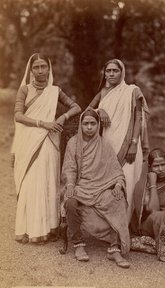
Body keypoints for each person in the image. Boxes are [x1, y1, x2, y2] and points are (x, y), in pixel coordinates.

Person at [12, 53, 81, 244]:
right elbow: (18, 116)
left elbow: (76, 107)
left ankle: (47, 229)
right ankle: (29, 229)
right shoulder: (25, 90)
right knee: (31, 183)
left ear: (49, 68)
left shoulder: (55, 91)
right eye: (36, 67)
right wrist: (44, 123)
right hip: (30, 140)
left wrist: (62, 118)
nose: (40, 71)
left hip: (49, 142)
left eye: (44, 66)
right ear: (31, 70)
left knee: (47, 182)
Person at [61, 108, 130, 268]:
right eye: (86, 123)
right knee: (70, 202)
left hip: (101, 187)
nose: (89, 127)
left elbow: (116, 170)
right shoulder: (73, 143)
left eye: (93, 123)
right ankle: (78, 245)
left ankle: (114, 249)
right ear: (81, 125)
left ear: (98, 124)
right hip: (80, 186)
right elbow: (69, 168)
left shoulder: (104, 144)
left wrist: (118, 185)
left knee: (118, 199)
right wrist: (70, 185)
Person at [88, 59, 150, 222]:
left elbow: (138, 117)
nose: (111, 74)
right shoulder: (103, 93)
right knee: (109, 183)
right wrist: (99, 110)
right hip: (107, 144)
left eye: (115, 70)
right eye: (108, 71)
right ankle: (109, 226)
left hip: (129, 144)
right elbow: (87, 111)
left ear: (122, 72)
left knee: (127, 183)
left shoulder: (132, 91)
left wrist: (134, 144)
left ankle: (126, 226)